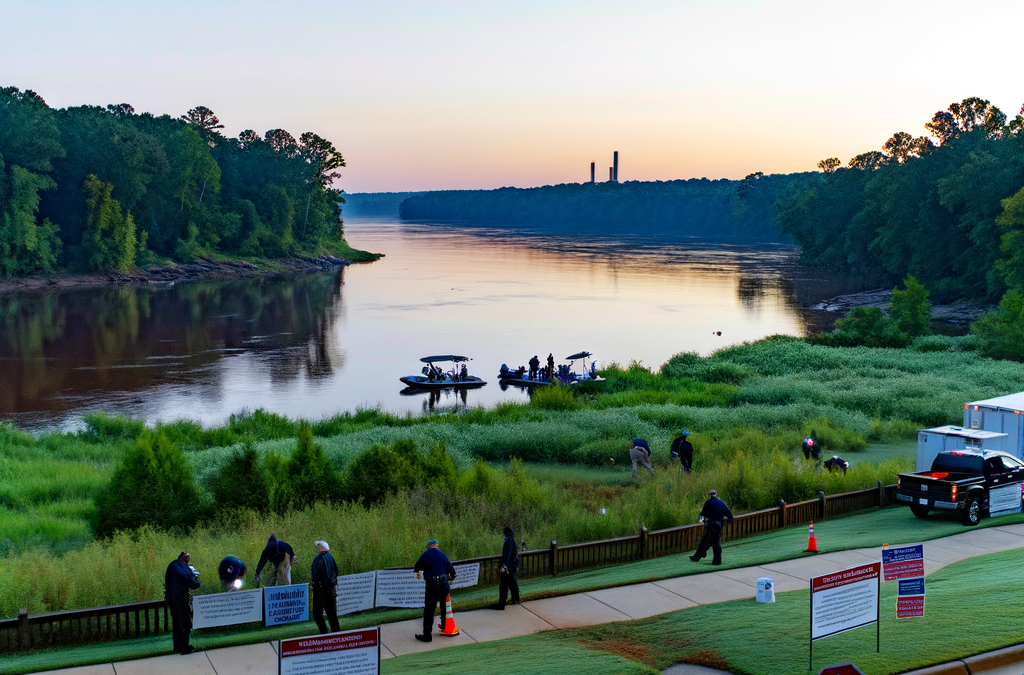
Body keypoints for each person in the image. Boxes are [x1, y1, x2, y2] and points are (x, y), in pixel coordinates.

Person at [412, 539, 456, 642]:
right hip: (443, 582)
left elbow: (416, 567)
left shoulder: (426, 554)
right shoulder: (442, 554)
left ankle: (427, 635)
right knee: (444, 605)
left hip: (432, 584)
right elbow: (452, 571)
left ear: (429, 546)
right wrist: (449, 577)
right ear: (436, 545)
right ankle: (445, 627)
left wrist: (425, 569)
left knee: (429, 609)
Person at [164, 551, 201, 655]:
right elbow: (193, 584)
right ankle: (185, 647)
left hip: (171, 599)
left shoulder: (172, 565)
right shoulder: (185, 569)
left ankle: (177, 646)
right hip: (181, 599)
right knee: (185, 623)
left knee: (176, 622)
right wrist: (198, 581)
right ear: (187, 560)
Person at [690, 489, 734, 566]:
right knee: (715, 543)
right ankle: (716, 561)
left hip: (711, 525)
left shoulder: (708, 503)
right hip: (718, 526)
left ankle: (698, 556)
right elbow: (729, 515)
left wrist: (702, 520)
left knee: (705, 541)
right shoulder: (722, 503)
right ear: (716, 495)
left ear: (710, 495)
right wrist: (727, 522)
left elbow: (702, 514)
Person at [310, 540, 340, 634]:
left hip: (320, 590)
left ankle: (324, 633)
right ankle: (337, 634)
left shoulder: (319, 558)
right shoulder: (331, 558)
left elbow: (315, 575)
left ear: (320, 548)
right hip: (331, 590)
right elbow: (336, 572)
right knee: (332, 615)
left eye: (318, 547)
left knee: (317, 614)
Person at [489, 526, 520, 610]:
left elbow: (509, 553)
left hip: (509, 564)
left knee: (504, 583)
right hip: (511, 564)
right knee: (511, 582)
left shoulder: (509, 540)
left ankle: (502, 603)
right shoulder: (512, 540)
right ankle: (515, 599)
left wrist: (505, 564)